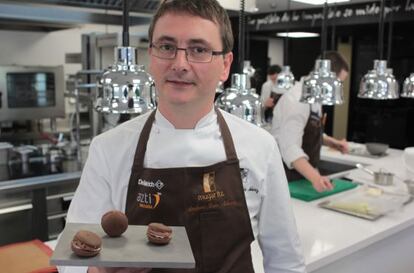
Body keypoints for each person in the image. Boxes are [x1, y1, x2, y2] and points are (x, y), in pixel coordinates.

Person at [59, 0, 305, 273]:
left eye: (198, 50)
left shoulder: (261, 146)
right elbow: (73, 254)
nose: (180, 64)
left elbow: (285, 260)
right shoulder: (109, 149)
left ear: (225, 65)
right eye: (166, 47)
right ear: (151, 56)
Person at [271, 51, 349, 192]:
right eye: (339, 83)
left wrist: (331, 142)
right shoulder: (297, 99)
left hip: (303, 174)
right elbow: (290, 148)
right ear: (326, 78)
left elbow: (308, 130)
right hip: (286, 177)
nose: (338, 89)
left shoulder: (314, 96)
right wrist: (316, 178)